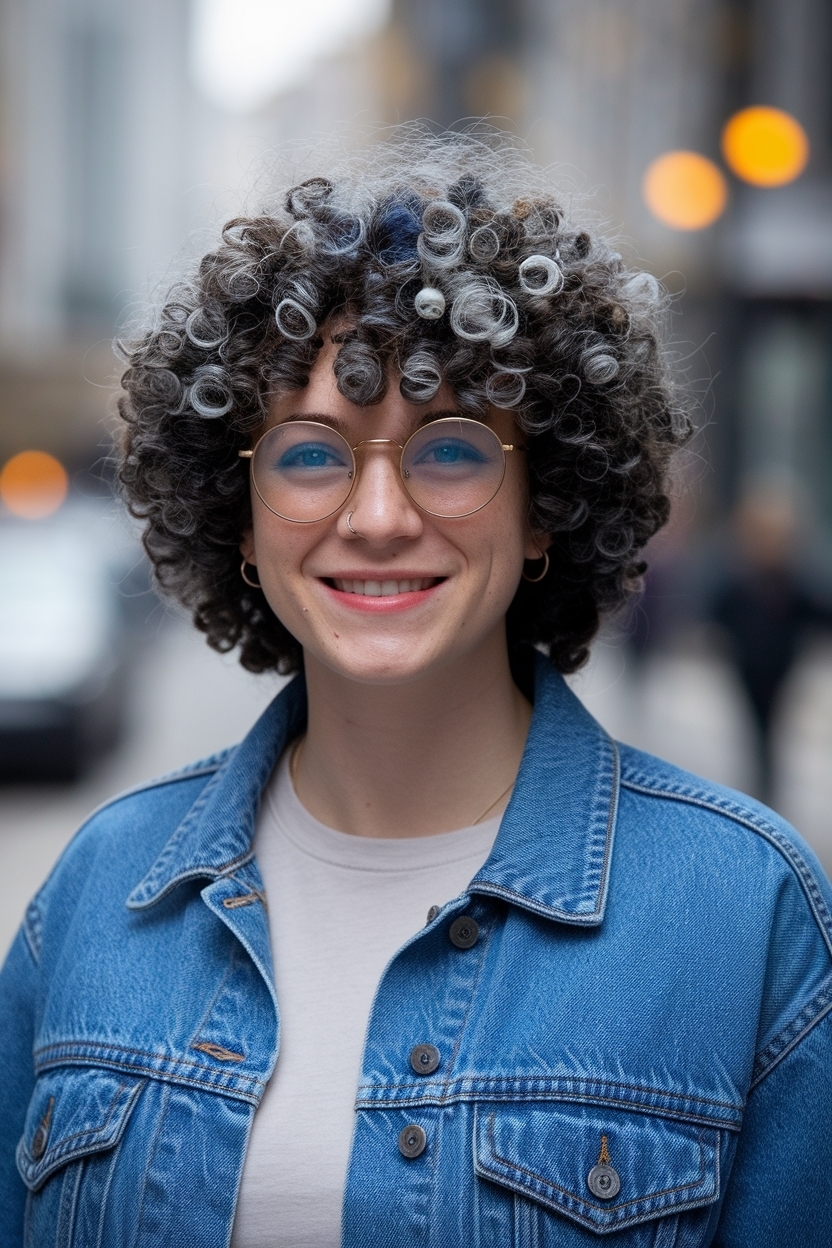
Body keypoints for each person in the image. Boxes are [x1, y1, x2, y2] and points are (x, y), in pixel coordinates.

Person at [1, 130, 831, 1248]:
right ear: (238, 517)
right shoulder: (98, 896)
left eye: (448, 450)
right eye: (309, 453)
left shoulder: (745, 914)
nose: (380, 518)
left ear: (544, 505)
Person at [711, 486, 832, 801]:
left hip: (780, 665)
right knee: (755, 728)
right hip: (749, 664)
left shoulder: (794, 581)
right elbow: (720, 612)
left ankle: (767, 785)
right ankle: (761, 783)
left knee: (771, 727)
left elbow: (815, 613)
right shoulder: (740, 580)